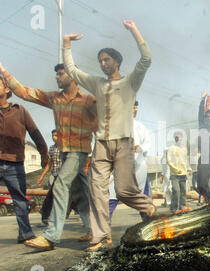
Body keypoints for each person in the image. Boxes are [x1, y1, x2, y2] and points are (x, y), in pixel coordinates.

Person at [63, 20, 156, 251]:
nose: (103, 64)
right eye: (100, 61)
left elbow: (146, 59)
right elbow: (73, 71)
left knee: (124, 191)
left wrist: (135, 30)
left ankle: (147, 206)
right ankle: (101, 236)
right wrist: (66, 45)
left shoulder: (130, 82)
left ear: (117, 61)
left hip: (123, 143)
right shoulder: (97, 83)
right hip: (102, 145)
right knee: (97, 190)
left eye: (107, 60)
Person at [0, 62, 95, 251]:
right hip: (65, 152)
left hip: (80, 151)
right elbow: (25, 92)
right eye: (57, 74)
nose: (57, 77)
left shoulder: (88, 101)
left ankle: (51, 236)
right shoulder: (55, 98)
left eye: (61, 73)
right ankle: (95, 230)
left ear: (73, 77)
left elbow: (101, 124)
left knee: (60, 186)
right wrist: (3, 71)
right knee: (80, 193)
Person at [0, 75, 48, 243]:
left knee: (20, 200)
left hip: (14, 163)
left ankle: (25, 234)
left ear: (7, 89)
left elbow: (35, 133)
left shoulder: (19, 110)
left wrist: (43, 153)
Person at [108, 100, 152, 222]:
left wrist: (140, 148)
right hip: (119, 166)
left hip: (138, 165)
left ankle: (149, 224)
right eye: (133, 108)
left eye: (136, 108)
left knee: (143, 196)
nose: (135, 110)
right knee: (112, 195)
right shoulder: (116, 126)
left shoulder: (140, 126)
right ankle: (103, 231)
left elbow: (147, 142)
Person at [36, 129, 63, 227]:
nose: (53, 137)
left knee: (69, 197)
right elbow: (49, 164)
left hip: (63, 176)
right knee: (50, 197)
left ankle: (84, 214)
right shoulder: (51, 148)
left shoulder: (65, 148)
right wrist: (41, 177)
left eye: (55, 135)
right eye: (52, 135)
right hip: (55, 175)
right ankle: (45, 218)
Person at [167, 132, 191, 214]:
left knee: (183, 191)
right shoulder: (171, 148)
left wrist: (189, 168)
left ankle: (182, 206)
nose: (179, 139)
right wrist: (176, 169)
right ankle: (174, 208)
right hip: (174, 174)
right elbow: (169, 161)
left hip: (183, 174)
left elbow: (186, 160)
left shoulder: (184, 149)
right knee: (176, 190)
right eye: (177, 138)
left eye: (180, 137)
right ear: (175, 139)